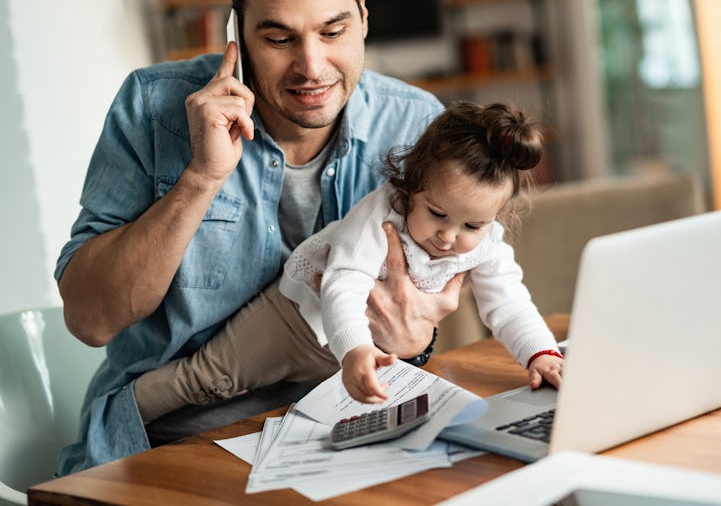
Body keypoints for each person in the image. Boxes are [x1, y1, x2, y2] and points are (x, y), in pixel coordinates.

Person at [54, 0, 462, 476]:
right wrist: (201, 177)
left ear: (364, 15)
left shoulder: (418, 125)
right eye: (278, 38)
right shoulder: (152, 109)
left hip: (350, 424)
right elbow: (90, 320)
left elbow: (430, 306)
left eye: (333, 30)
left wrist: (417, 338)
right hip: (175, 438)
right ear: (236, 34)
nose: (311, 66)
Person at [132, 100, 563, 422]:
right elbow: (344, 284)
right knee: (208, 381)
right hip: (295, 319)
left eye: (473, 225)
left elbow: (508, 303)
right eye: (437, 214)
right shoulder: (381, 214)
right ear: (412, 185)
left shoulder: (487, 244)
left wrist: (540, 355)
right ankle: (128, 410)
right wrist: (356, 350)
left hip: (351, 351)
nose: (449, 238)